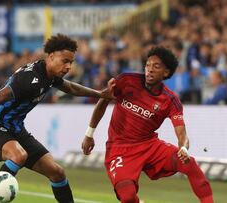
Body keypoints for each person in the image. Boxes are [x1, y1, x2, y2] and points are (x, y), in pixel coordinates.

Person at [0, 34, 115, 203]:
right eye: (65, 61)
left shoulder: (50, 76)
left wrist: (100, 94)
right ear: (51, 57)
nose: (68, 66)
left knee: (57, 172)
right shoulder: (29, 77)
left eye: (71, 62)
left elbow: (70, 88)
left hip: (16, 129)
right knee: (18, 155)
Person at [81, 46, 214, 203]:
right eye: (148, 65)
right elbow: (103, 100)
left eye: (156, 66)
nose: (149, 70)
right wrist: (89, 134)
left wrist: (183, 148)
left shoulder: (170, 100)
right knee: (128, 197)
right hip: (119, 149)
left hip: (149, 146)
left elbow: (181, 133)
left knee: (189, 163)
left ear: (166, 73)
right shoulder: (126, 81)